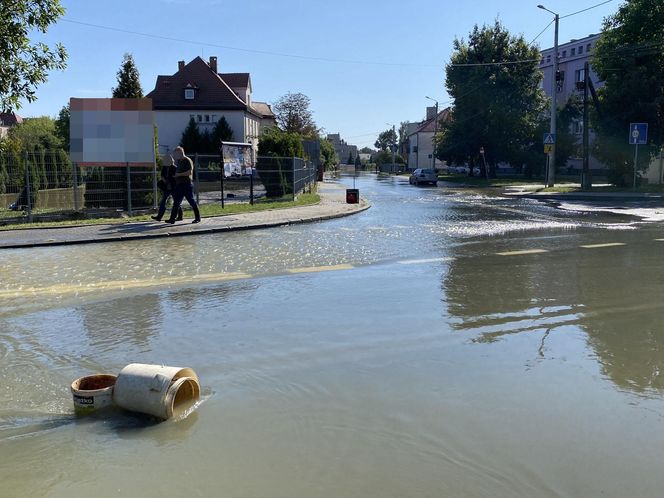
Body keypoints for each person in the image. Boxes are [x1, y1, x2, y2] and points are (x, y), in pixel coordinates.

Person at [165, 146, 201, 224]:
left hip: (187, 184)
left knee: (191, 201)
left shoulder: (187, 160)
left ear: (180, 153)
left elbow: (189, 172)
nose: (175, 156)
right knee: (176, 202)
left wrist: (178, 175)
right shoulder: (179, 161)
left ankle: (198, 218)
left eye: (176, 154)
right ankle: (172, 219)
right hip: (179, 185)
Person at [151, 155, 182, 222]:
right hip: (167, 187)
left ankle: (180, 216)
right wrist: (164, 180)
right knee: (163, 201)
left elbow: (176, 177)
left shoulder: (174, 167)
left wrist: (171, 180)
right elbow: (162, 175)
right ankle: (159, 217)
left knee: (176, 202)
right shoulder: (164, 167)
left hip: (173, 187)